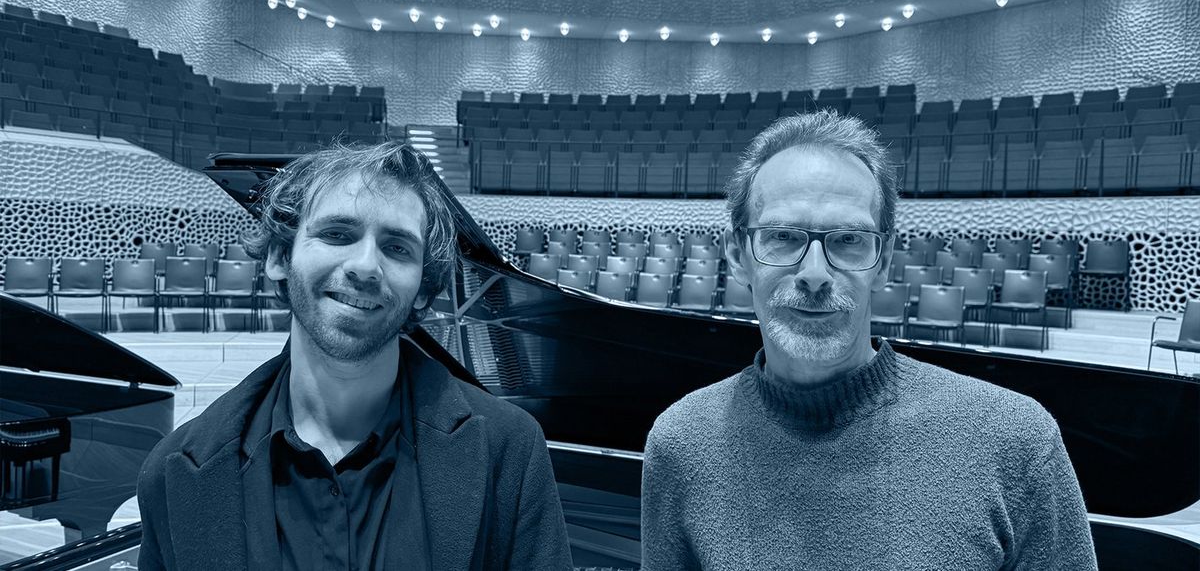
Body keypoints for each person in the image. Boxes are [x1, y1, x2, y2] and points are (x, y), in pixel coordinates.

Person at [640, 111, 1096, 570]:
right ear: (738, 256)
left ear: (883, 258)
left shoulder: (1015, 438)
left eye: (847, 240)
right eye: (781, 237)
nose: (814, 274)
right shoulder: (681, 443)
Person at [137, 142, 572, 570]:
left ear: (423, 288)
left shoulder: (509, 449)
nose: (365, 266)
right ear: (278, 256)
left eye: (397, 247)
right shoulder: (172, 472)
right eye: (337, 234)